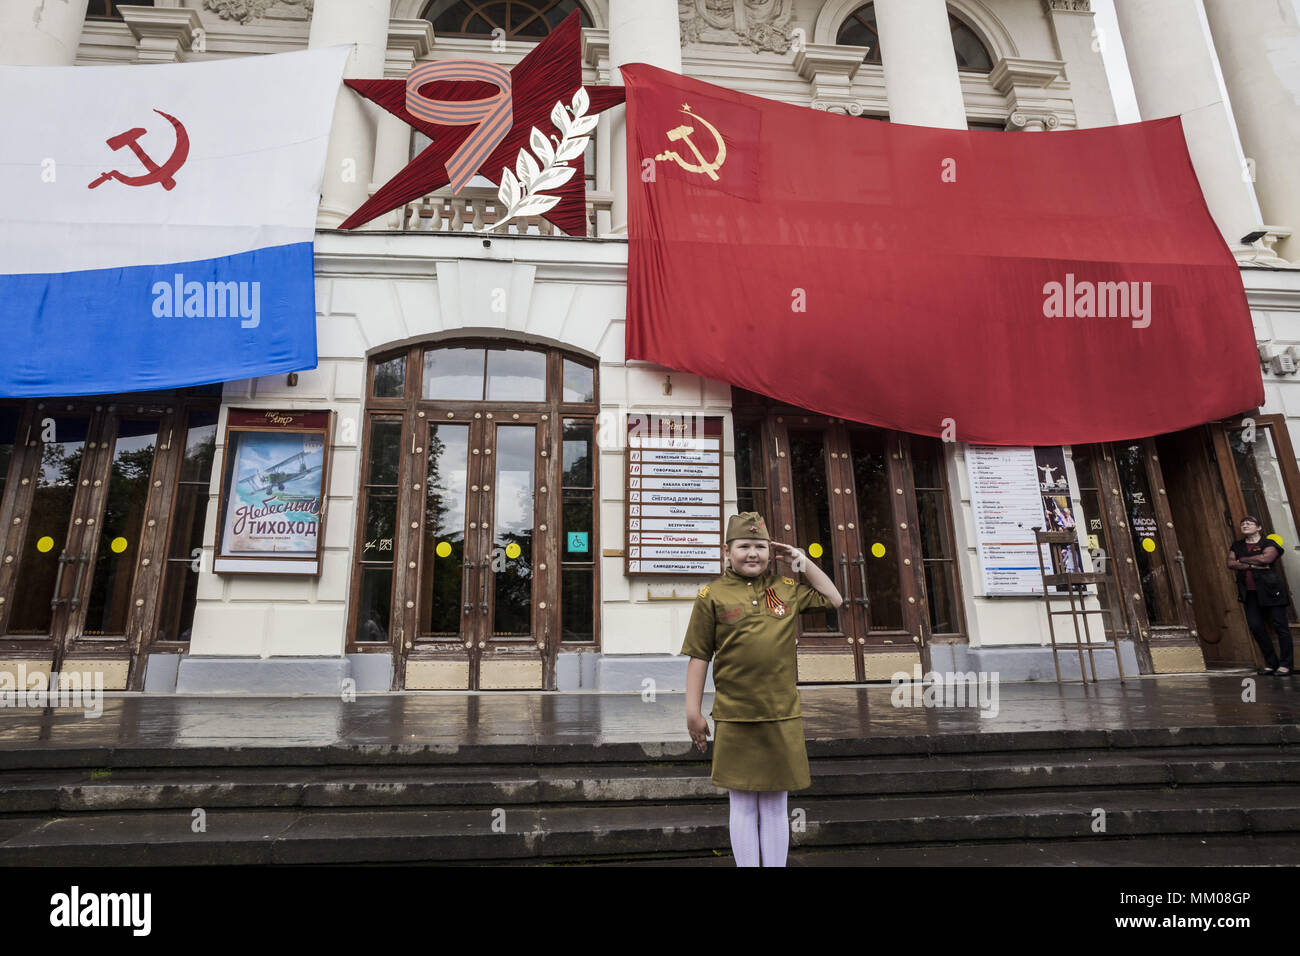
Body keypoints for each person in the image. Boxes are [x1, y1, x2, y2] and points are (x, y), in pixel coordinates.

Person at [680, 511, 844, 867]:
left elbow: (834, 599)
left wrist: (803, 562)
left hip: (780, 712)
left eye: (760, 546)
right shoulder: (711, 595)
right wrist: (693, 712)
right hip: (736, 714)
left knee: (774, 805)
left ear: (772, 552)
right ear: (727, 551)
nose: (752, 553)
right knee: (740, 802)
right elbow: (698, 655)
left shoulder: (785, 589)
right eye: (743, 546)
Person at [1226, 515, 1293, 676]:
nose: (1245, 524)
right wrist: (1254, 563)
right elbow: (1230, 563)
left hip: (1271, 591)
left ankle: (1286, 664)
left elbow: (1267, 558)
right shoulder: (1238, 545)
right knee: (1256, 627)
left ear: (1259, 528)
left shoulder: (1268, 543)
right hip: (1250, 593)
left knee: (1280, 626)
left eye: (1250, 522)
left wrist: (1243, 561)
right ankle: (1271, 663)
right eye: (1242, 523)